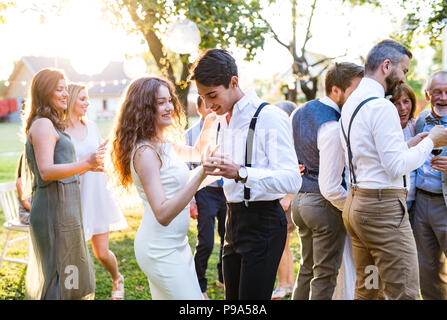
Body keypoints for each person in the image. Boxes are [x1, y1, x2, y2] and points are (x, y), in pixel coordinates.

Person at [189, 48, 302, 300]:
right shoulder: (218, 119)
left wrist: (242, 172)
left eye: (212, 95)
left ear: (234, 82)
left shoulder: (269, 117)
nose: (207, 105)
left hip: (264, 221)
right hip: (233, 220)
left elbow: (293, 179)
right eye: (202, 97)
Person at [339, 39, 447, 300]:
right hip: (383, 213)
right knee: (405, 291)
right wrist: (432, 141)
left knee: (369, 288)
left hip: (356, 206)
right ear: (387, 66)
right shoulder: (381, 106)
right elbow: (396, 165)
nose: (404, 78)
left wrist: (410, 143)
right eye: (404, 70)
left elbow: (373, 153)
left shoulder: (352, 102)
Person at [108, 76, 217, 300]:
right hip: (159, 249)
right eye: (160, 102)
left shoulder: (163, 144)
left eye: (169, 100)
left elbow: (197, 153)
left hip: (178, 245)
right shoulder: (145, 153)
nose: (169, 107)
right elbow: (163, 214)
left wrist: (208, 123)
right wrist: (201, 174)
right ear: (144, 109)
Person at [22, 68, 104, 300]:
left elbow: (63, 167)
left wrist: (88, 166)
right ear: (44, 92)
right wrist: (86, 161)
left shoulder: (52, 124)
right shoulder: (43, 126)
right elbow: (46, 172)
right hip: (53, 212)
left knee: (69, 271)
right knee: (58, 273)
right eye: (59, 89)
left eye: (65, 89)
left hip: (66, 208)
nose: (65, 94)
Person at [290, 62, 364, 300]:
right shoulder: (332, 125)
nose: (357, 98)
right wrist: (352, 208)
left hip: (300, 202)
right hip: (323, 206)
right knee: (325, 276)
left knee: (306, 269)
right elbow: (331, 187)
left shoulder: (300, 111)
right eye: (354, 91)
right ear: (335, 90)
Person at [65, 83, 128, 300]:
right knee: (73, 255)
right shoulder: (59, 130)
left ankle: (117, 277)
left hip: (96, 194)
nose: (87, 102)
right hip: (73, 197)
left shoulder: (91, 126)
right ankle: (76, 294)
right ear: (71, 100)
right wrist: (87, 162)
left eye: (87, 98)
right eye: (82, 98)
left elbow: (101, 156)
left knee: (101, 253)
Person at [185, 96, 227, 300]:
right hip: (205, 192)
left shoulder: (226, 129)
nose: (212, 109)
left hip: (226, 191)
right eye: (207, 106)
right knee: (206, 241)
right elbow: (187, 170)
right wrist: (191, 201)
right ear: (199, 109)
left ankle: (223, 276)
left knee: (228, 238)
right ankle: (199, 285)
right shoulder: (191, 134)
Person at [413, 70, 447, 300]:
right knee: (428, 269)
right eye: (437, 92)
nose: (443, 97)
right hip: (422, 203)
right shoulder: (421, 120)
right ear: (427, 94)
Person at [271, 100, 298, 300]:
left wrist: (287, 198)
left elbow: (297, 172)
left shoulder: (292, 143)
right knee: (284, 246)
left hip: (284, 200)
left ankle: (283, 284)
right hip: (283, 198)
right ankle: (287, 284)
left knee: (280, 245)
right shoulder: (286, 141)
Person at [390, 84, 418, 226]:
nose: (402, 108)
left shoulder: (415, 126)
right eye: (396, 103)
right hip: (395, 203)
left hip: (416, 202)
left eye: (406, 101)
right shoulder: (387, 130)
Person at [16, 153, 31, 225]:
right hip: (26, 214)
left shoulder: (32, 180)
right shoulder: (20, 181)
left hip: (32, 212)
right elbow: (25, 203)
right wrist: (38, 211)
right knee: (45, 218)